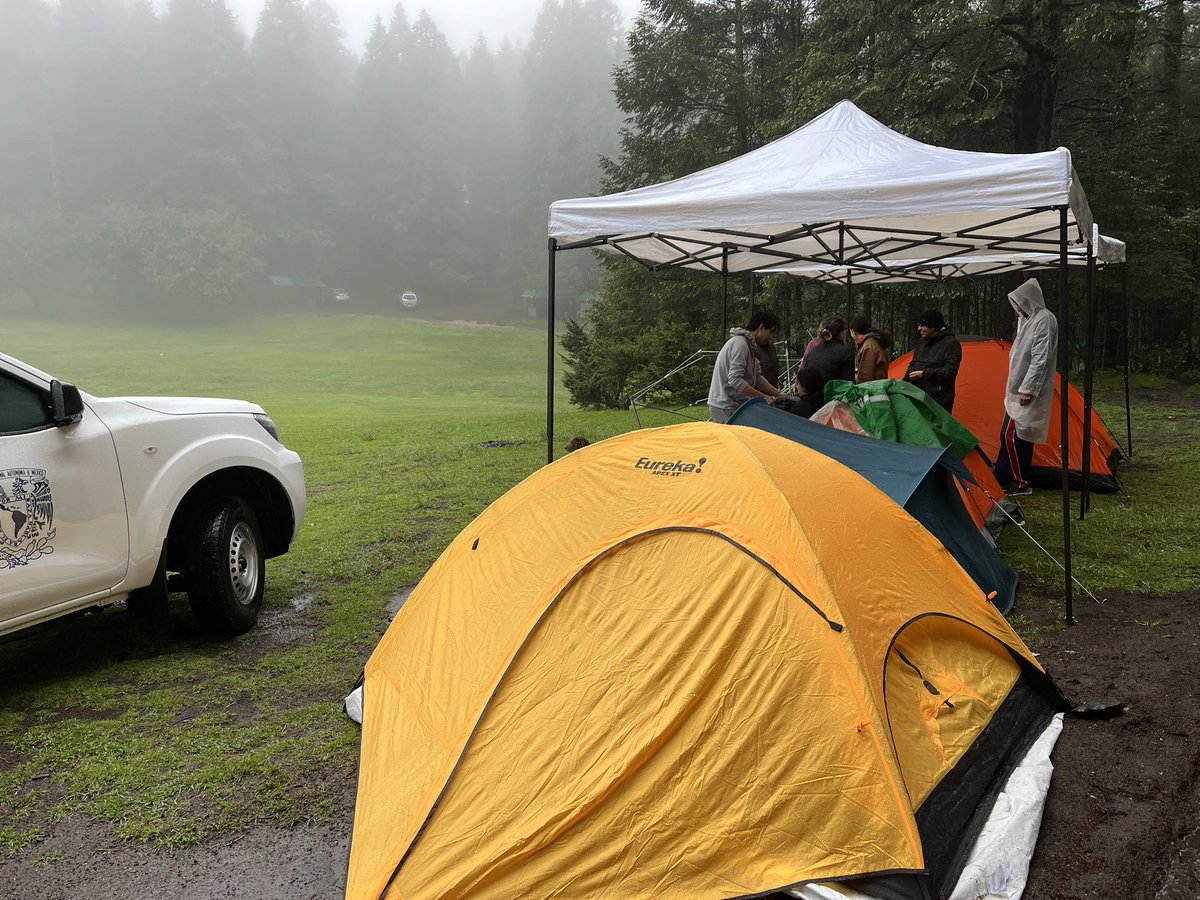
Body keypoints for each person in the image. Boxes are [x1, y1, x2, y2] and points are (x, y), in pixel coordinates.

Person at [994, 278, 1058, 497]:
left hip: (1026, 391)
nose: (1018, 307)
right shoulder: (1027, 320)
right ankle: (1006, 476)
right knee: (1013, 435)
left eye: (1020, 302)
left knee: (1012, 435)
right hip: (1016, 390)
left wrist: (1028, 390)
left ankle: (1020, 482)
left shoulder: (1044, 319)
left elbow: (1040, 359)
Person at [707, 311, 783, 423]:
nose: (771, 337)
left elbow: (758, 379)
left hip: (734, 405)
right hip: (725, 406)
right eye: (770, 332)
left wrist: (779, 394)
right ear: (761, 327)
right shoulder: (740, 344)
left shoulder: (749, 346)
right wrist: (763, 396)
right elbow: (735, 380)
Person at [903, 309, 962, 413]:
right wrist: (902, 383)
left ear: (933, 326)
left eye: (922, 325)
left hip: (939, 400)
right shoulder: (921, 342)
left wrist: (924, 374)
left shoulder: (951, 344)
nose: (919, 329)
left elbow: (950, 371)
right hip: (918, 396)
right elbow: (913, 364)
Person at [798, 316, 854, 385]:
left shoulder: (814, 350)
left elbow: (803, 368)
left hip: (812, 394)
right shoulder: (846, 352)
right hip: (833, 394)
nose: (846, 332)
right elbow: (849, 384)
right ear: (840, 333)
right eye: (844, 330)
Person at [849, 317, 892, 383]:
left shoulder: (868, 347)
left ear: (853, 332)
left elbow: (865, 377)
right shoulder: (873, 342)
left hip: (872, 390)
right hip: (876, 387)